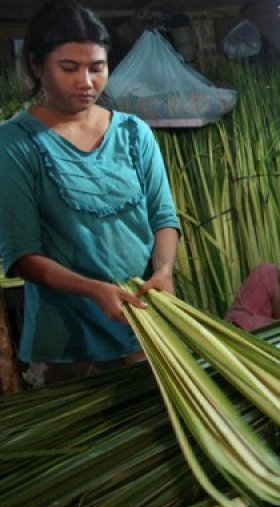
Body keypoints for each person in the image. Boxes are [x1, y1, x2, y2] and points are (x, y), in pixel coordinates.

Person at [0, 0, 180, 386]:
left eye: (97, 68)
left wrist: (163, 271)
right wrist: (93, 289)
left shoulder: (134, 133)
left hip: (143, 327)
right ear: (36, 65)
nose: (86, 82)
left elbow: (163, 218)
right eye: (69, 68)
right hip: (67, 342)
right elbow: (23, 255)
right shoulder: (15, 143)